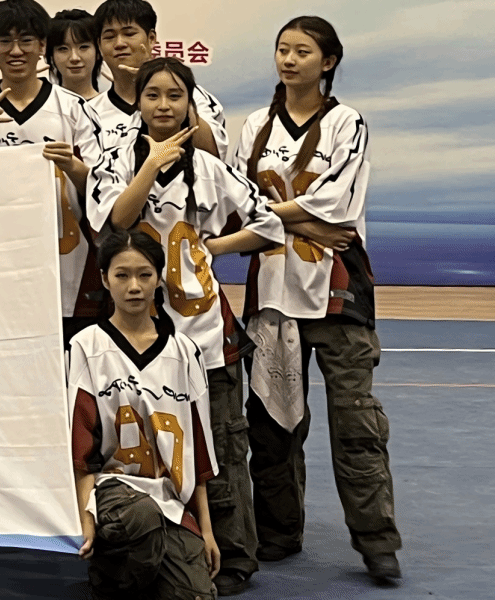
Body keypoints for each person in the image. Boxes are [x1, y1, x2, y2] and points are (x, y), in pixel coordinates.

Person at [90, 59, 282, 596]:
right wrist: (150, 165)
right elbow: (113, 223)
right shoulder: (114, 158)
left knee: (222, 444)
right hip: (136, 334)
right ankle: (161, 546)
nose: (164, 105)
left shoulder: (212, 169)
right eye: (152, 94)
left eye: (175, 95)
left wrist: (212, 246)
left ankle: (236, 554)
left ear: (190, 104)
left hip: (204, 333)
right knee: (144, 443)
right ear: (137, 102)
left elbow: (269, 224)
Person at [228, 17, 400, 583]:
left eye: (303, 51)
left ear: (328, 62)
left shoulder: (347, 122)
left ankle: (376, 541)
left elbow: (338, 204)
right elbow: (237, 201)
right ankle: (279, 532)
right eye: (283, 49)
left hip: (337, 295)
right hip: (271, 296)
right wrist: (300, 225)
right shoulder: (254, 126)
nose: (289, 59)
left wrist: (270, 217)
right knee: (271, 424)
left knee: (356, 424)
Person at [69, 229, 219, 600]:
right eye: (122, 275)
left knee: (195, 594)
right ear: (105, 279)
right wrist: (85, 522)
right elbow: (80, 452)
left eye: (144, 274)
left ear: (159, 279)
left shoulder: (185, 351)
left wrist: (206, 529)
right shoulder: (86, 346)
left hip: (168, 500)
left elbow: (197, 454)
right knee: (139, 518)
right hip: (112, 495)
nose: (134, 286)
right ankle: (112, 581)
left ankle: (151, 569)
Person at [0, 0, 106, 343]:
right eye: (5, 41)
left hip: (66, 268)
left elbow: (105, 191)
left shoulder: (74, 109)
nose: (16, 50)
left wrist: (73, 166)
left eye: (26, 40)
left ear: (42, 46)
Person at [87, 0, 226, 160]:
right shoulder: (88, 111)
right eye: (109, 37)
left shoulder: (194, 96)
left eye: (129, 34)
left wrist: (159, 85)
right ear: (99, 46)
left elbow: (213, 155)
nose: (119, 43)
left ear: (151, 39)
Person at [48, 7, 107, 104]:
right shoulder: (43, 107)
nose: (74, 58)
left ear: (98, 52)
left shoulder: (110, 107)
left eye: (83, 47)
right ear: (51, 56)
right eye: (63, 49)